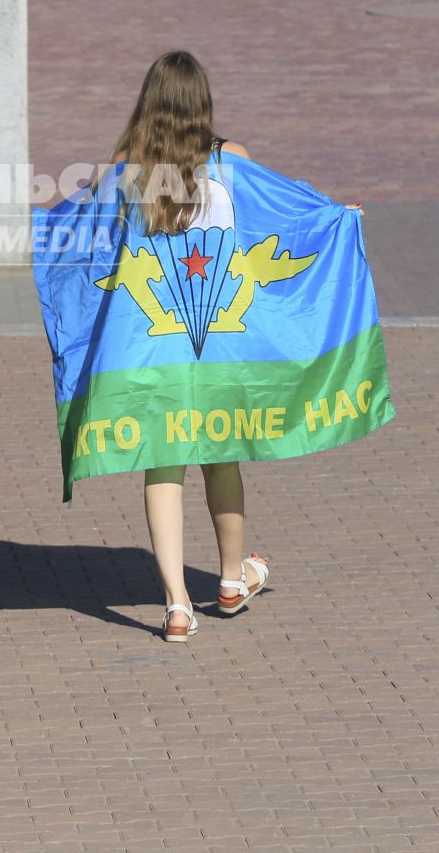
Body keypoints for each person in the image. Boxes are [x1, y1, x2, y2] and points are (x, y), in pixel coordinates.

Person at [108, 52, 271, 642]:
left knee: (163, 463)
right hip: (219, 343)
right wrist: (338, 221)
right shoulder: (235, 163)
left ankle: (177, 604)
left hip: (155, 346)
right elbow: (282, 225)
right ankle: (231, 578)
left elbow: (88, 241)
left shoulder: (127, 172)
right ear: (201, 101)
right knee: (221, 454)